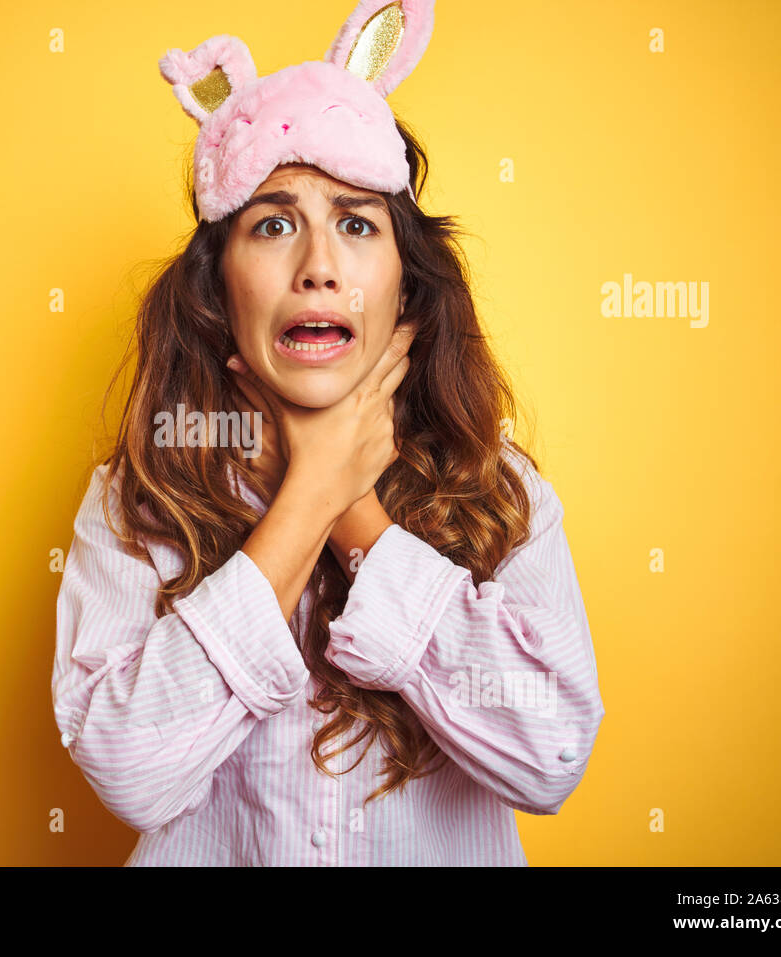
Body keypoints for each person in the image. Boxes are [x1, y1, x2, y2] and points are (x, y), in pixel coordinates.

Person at [52, 0, 605, 865]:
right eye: (273, 224)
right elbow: (127, 769)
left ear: (406, 287)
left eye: (356, 223)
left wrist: (354, 512)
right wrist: (302, 500)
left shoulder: (500, 490)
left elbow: (553, 756)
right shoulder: (137, 497)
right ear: (216, 289)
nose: (318, 265)